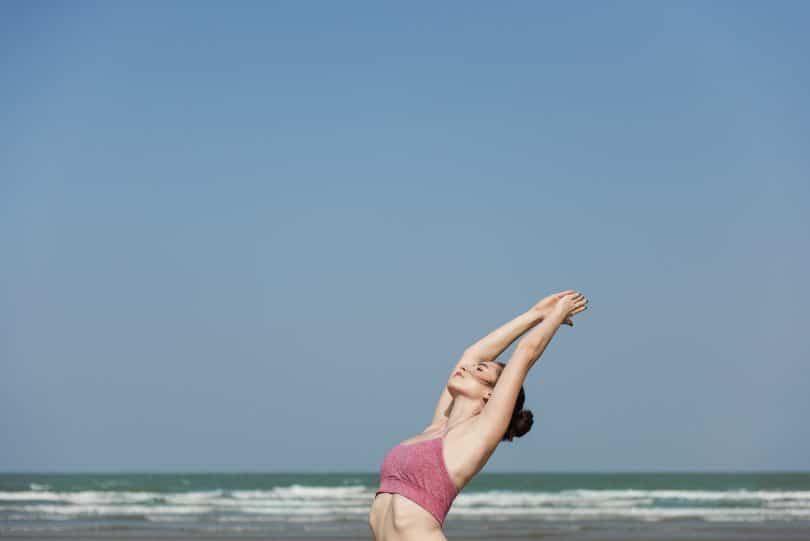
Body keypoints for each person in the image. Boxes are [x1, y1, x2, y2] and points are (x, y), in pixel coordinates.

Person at [368, 290, 589, 541]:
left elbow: (525, 354)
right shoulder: (438, 426)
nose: (467, 367)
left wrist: (559, 312)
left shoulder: (481, 432)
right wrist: (535, 314)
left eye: (480, 369)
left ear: (490, 395)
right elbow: (471, 354)